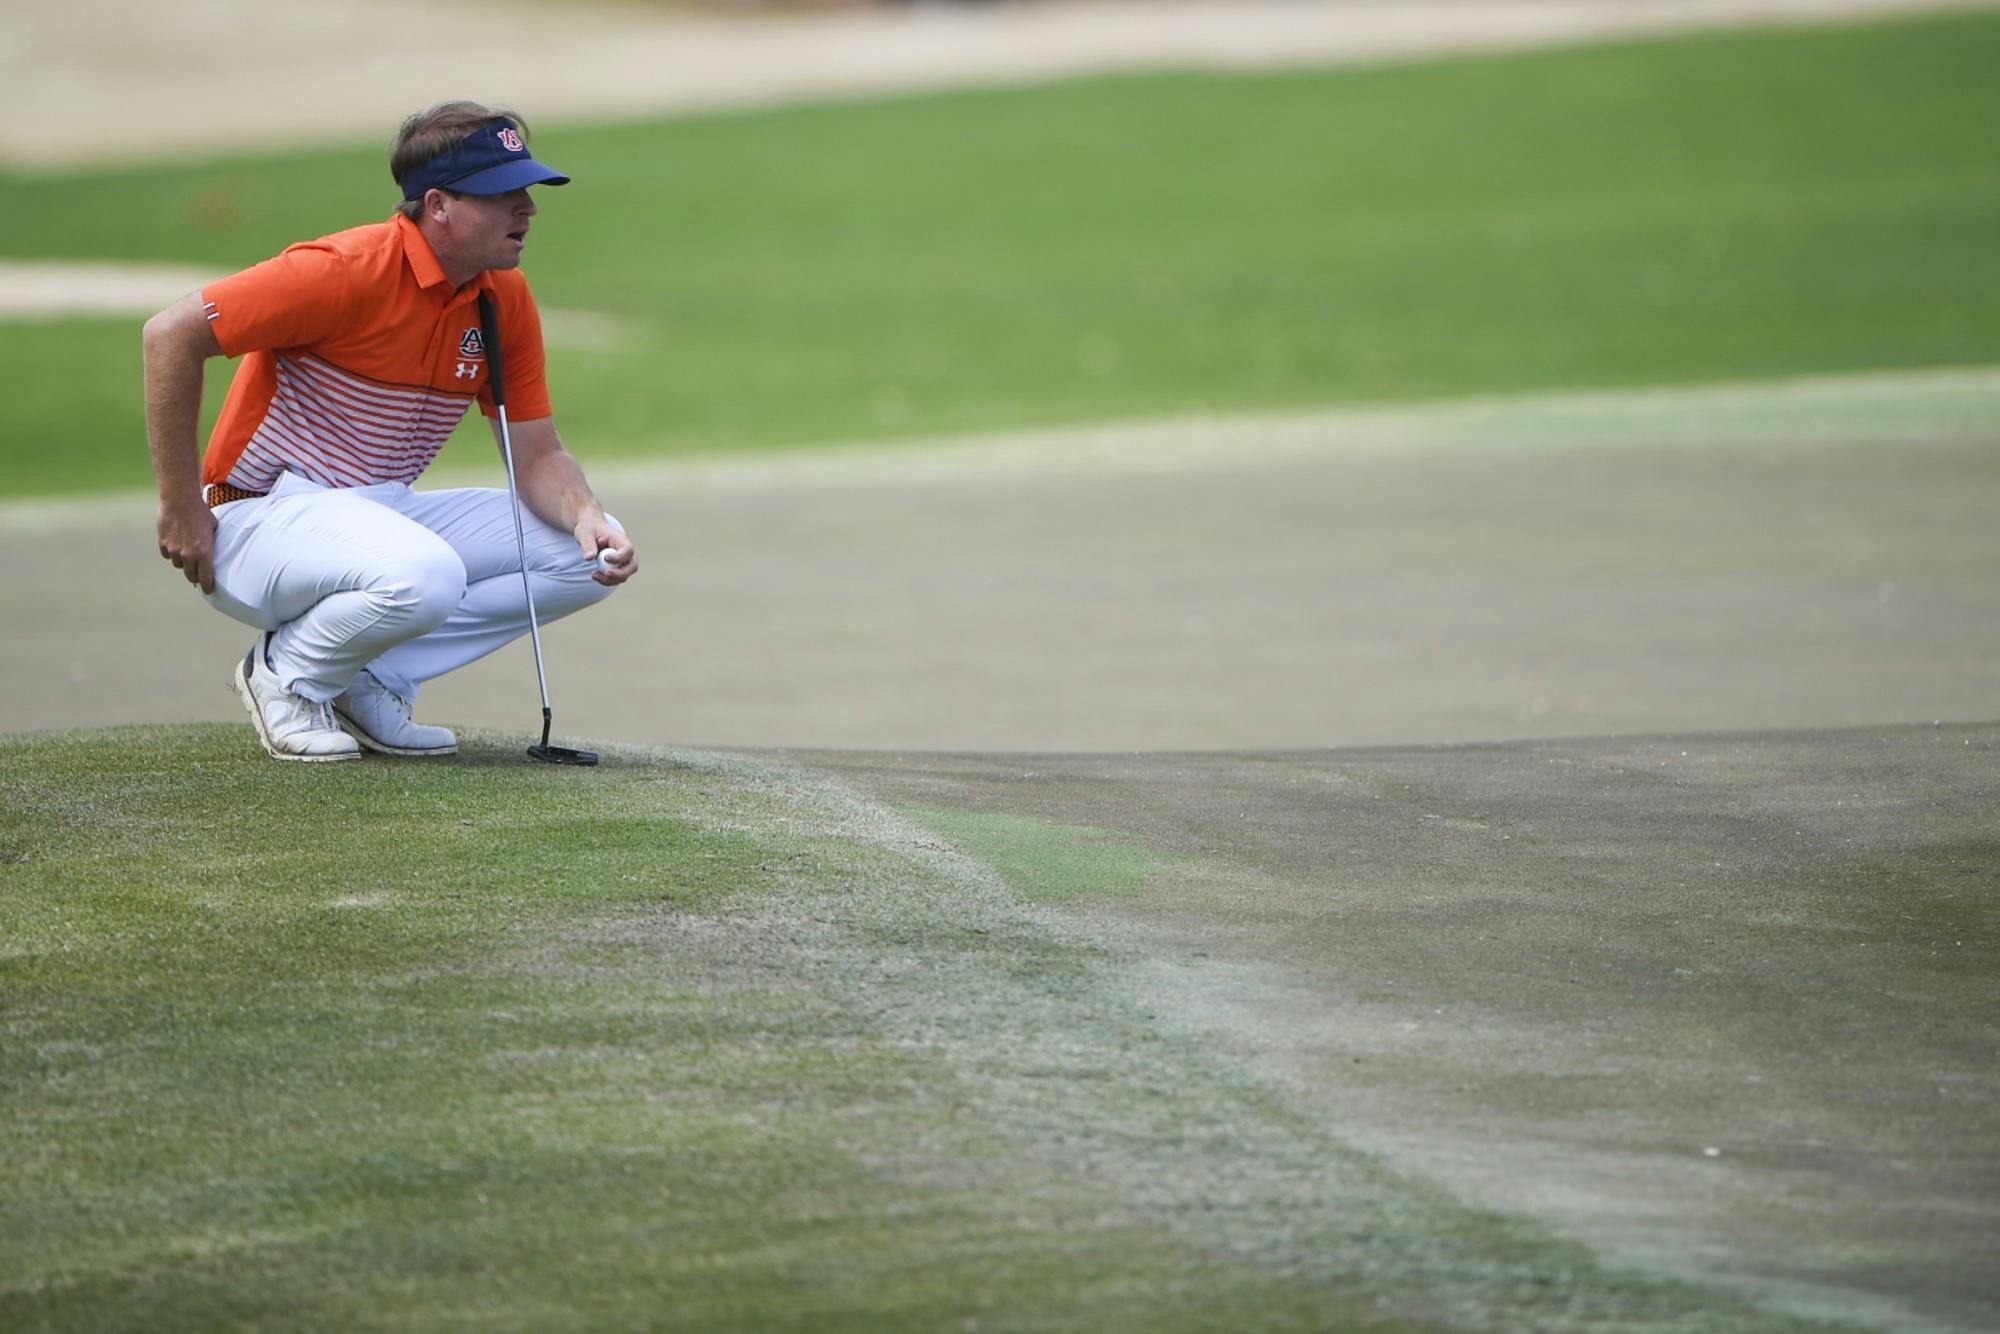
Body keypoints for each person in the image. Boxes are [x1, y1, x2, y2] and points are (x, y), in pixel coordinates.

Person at [143, 101, 635, 762]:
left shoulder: (501, 298)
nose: (527, 209)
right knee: (427, 572)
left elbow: (537, 454)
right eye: (500, 194)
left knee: (583, 558)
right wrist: (179, 507)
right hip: (255, 520)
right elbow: (169, 335)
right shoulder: (342, 269)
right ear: (436, 205)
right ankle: (286, 677)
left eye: (526, 190)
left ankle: (371, 679)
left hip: (377, 516)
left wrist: (587, 516)